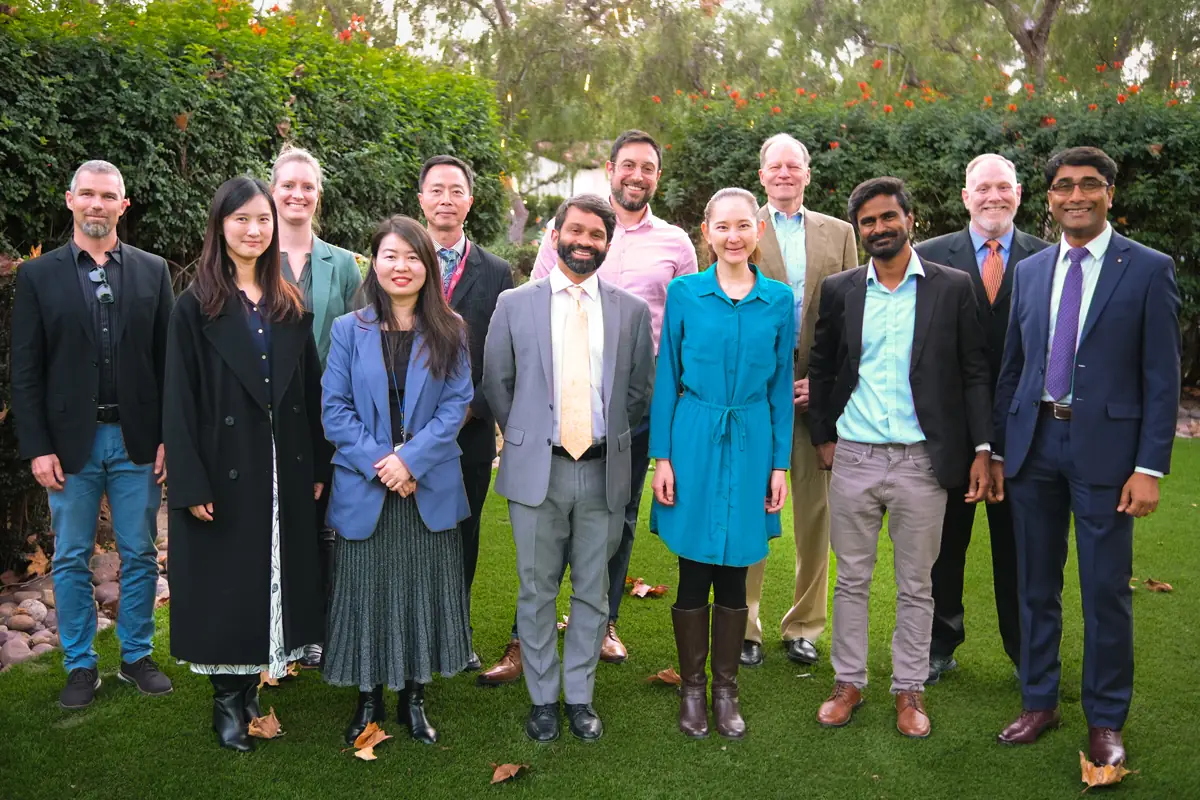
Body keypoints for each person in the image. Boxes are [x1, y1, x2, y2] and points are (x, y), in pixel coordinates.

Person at [479, 130, 696, 683]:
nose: (637, 175)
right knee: (540, 538)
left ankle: (601, 624)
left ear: (657, 176)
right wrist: (524, 423)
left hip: (627, 413)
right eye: (629, 165)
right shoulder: (563, 247)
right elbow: (515, 352)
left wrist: (636, 412)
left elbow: (680, 329)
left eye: (648, 167)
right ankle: (523, 639)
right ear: (610, 168)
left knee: (615, 523)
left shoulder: (676, 244)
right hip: (549, 421)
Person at [991, 147, 1180, 769]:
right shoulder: (1032, 270)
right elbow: (1013, 366)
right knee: (1035, 585)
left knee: (1104, 590)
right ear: (1048, 198)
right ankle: (1038, 701)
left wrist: (1149, 467)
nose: (1076, 195)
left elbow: (1161, 376)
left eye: (1089, 185)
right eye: (1064, 186)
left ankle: (1105, 718)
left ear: (1109, 193)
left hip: (1108, 452)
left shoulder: (1149, 269)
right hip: (1034, 444)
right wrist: (996, 445)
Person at [808, 177, 992, 739]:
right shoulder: (841, 289)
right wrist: (823, 436)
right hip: (855, 458)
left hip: (922, 462)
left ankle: (909, 690)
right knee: (852, 580)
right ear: (859, 230)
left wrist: (982, 449)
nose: (879, 228)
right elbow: (821, 365)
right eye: (868, 222)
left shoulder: (952, 286)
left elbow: (974, 371)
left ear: (910, 219)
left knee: (918, 583)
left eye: (889, 217)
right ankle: (849, 682)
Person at [163, 176, 330, 752]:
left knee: (268, 579)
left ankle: (255, 685)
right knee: (227, 585)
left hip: (284, 468)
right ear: (220, 226)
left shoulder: (288, 303)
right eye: (241, 220)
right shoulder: (195, 305)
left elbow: (308, 392)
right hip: (221, 470)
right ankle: (227, 701)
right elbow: (177, 401)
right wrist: (188, 481)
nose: (254, 230)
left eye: (263, 220)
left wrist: (316, 468)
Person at [482, 194, 655, 742]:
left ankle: (578, 695)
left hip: (604, 471)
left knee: (593, 592)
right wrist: (532, 438)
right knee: (535, 589)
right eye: (574, 231)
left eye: (596, 234)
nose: (584, 241)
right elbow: (497, 383)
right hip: (540, 470)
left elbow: (638, 392)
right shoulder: (515, 303)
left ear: (609, 242)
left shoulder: (630, 310)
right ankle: (541, 698)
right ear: (554, 235)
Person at [11, 160, 174, 709]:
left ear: (123, 206)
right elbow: (26, 369)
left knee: (139, 552)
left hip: (137, 441)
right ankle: (81, 666)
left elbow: (168, 363)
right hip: (68, 446)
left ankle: (135, 656)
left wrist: (169, 436)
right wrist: (36, 445)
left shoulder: (153, 272)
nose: (98, 204)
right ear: (70, 200)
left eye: (109, 196)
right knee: (71, 557)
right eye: (88, 195)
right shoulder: (39, 276)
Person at [321, 215, 474, 746]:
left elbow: (457, 406)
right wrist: (385, 463)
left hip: (427, 486)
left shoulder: (450, 328)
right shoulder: (348, 330)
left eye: (412, 257)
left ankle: (415, 698)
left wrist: (411, 461)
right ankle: (367, 699)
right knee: (367, 594)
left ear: (427, 266)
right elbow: (334, 412)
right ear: (374, 263)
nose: (401, 266)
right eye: (390, 255)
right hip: (367, 487)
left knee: (419, 594)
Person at [650, 187, 794, 739]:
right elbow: (667, 378)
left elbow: (781, 387)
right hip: (693, 435)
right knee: (694, 566)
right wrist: (662, 457)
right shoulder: (685, 293)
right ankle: (691, 690)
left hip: (753, 437)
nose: (733, 236)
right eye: (722, 226)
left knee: (736, 565)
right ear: (706, 232)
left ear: (757, 231)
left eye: (743, 226)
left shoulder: (778, 300)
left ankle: (726, 689)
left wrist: (778, 465)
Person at [914, 154, 1051, 684]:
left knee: (1021, 552)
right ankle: (939, 644)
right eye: (982, 188)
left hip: (1026, 433)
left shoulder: (1047, 258)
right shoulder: (927, 256)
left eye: (1003, 187)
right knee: (943, 547)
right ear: (965, 196)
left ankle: (1025, 654)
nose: (993, 196)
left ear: (1018, 194)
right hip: (949, 434)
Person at [741, 133, 859, 668]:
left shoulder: (840, 233)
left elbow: (854, 318)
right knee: (749, 510)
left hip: (816, 397)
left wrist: (828, 385)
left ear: (807, 174)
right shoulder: (742, 228)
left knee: (816, 515)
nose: (784, 173)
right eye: (775, 166)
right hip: (753, 397)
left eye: (794, 165)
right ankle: (744, 625)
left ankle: (804, 626)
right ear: (762, 175)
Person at [417, 155, 514, 672]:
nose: (446, 200)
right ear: (422, 201)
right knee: (413, 531)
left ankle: (456, 631)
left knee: (463, 530)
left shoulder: (496, 271)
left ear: (470, 201)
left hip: (470, 431)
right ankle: (413, 629)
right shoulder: (403, 261)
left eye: (456, 191)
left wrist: (471, 408)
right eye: (437, 191)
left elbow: (502, 353)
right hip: (407, 433)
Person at [269, 146, 363, 669]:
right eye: (288, 185)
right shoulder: (255, 256)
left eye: (307, 186)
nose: (297, 194)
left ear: (318, 195)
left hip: (330, 414)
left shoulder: (342, 263)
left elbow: (356, 337)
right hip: (269, 415)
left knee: (327, 524)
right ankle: (276, 628)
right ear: (273, 190)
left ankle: (324, 630)